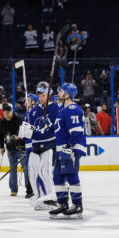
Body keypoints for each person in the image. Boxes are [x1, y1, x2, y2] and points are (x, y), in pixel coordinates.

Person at [48, 83, 86, 219]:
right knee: (57, 176)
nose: (59, 92)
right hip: (60, 149)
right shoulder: (62, 110)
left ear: (67, 95)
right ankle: (63, 203)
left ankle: (77, 205)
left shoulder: (73, 108)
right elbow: (59, 129)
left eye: (62, 91)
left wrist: (69, 147)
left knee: (71, 175)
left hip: (70, 149)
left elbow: (77, 131)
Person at [27, 81, 60, 210]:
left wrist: (49, 124)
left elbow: (58, 127)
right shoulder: (33, 111)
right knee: (33, 173)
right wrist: (25, 131)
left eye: (44, 96)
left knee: (44, 172)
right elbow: (29, 131)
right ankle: (38, 197)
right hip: (35, 146)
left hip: (49, 144)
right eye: (39, 96)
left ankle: (50, 199)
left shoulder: (56, 108)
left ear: (49, 95)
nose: (41, 98)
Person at [0, 103, 24, 196]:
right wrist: (1, 147)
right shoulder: (3, 122)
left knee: (26, 168)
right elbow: (0, 135)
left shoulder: (18, 120)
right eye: (4, 112)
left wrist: (18, 137)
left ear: (11, 111)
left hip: (21, 148)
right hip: (10, 149)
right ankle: (13, 189)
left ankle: (30, 189)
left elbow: (24, 132)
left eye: (8, 112)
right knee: (12, 170)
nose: (6, 114)